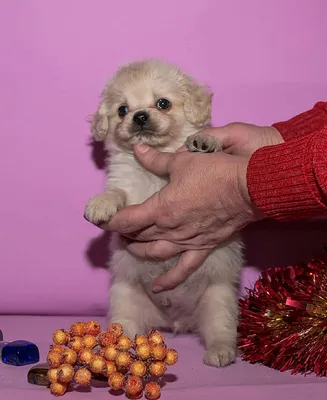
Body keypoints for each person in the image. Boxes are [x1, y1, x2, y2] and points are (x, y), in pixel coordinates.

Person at [103, 102, 327, 292]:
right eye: (123, 109)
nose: (140, 115)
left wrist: (243, 185)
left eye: (162, 104)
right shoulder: (123, 161)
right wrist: (279, 138)